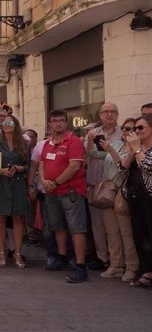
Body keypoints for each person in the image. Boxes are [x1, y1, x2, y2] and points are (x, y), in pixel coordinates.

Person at [39, 109, 88, 283]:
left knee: (77, 229)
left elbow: (74, 167)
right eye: (55, 120)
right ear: (49, 124)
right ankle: (61, 258)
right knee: (58, 227)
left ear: (66, 123)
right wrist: (44, 181)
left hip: (71, 192)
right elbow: (42, 164)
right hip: (52, 192)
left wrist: (56, 182)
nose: (58, 123)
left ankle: (80, 266)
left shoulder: (73, 141)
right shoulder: (47, 143)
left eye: (61, 120)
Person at [0, 115, 31, 268]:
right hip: (2, 184)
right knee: (0, 218)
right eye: (4, 122)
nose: (7, 124)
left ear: (15, 125)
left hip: (18, 185)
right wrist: (1, 170)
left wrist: (19, 168)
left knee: (18, 219)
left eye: (10, 122)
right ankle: (2, 252)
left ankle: (17, 254)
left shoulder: (24, 143)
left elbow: (28, 166)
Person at [98, 117, 139, 281]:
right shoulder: (114, 144)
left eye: (130, 129)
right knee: (111, 231)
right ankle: (116, 265)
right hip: (109, 190)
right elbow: (96, 155)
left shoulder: (136, 149)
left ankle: (132, 266)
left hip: (123, 192)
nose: (125, 132)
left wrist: (111, 151)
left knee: (126, 232)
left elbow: (122, 168)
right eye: (124, 128)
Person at [84, 102, 122, 271]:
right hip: (95, 184)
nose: (109, 115)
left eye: (113, 112)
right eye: (106, 112)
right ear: (100, 115)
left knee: (116, 226)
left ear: (117, 115)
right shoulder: (92, 134)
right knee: (97, 225)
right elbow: (87, 154)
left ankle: (118, 260)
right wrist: (90, 139)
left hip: (116, 185)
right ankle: (102, 258)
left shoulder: (123, 134)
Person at [120, 114, 152, 287]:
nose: (136, 131)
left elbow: (148, 167)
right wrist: (132, 151)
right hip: (135, 195)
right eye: (135, 128)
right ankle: (146, 271)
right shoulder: (135, 147)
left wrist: (138, 150)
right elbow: (121, 169)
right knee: (140, 235)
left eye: (140, 128)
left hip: (150, 197)